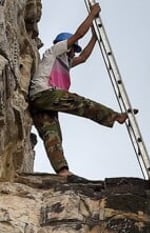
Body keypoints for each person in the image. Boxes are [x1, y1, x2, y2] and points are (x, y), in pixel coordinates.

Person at [28, 3, 129, 177]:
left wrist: (95, 38)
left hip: (41, 102)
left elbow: (83, 58)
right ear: (67, 46)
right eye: (73, 49)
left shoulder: (66, 62)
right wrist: (92, 14)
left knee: (52, 135)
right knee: (81, 103)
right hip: (44, 94)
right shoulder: (54, 52)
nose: (74, 53)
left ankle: (62, 171)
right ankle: (114, 116)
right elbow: (78, 34)